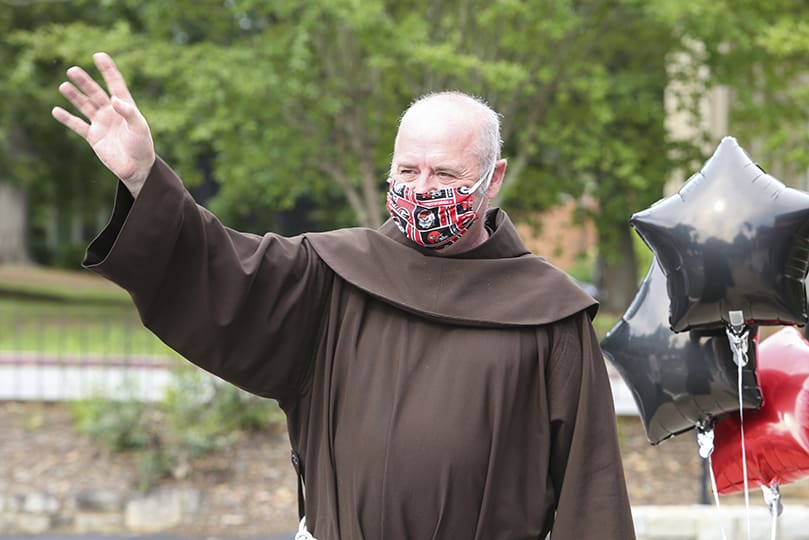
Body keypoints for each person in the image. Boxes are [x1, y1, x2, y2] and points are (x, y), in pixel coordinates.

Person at [52, 52, 636, 539]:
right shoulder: (333, 275)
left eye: (445, 175)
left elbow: (591, 489)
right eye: (407, 171)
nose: (422, 190)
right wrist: (144, 178)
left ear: (494, 178)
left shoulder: (549, 312)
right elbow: (221, 270)